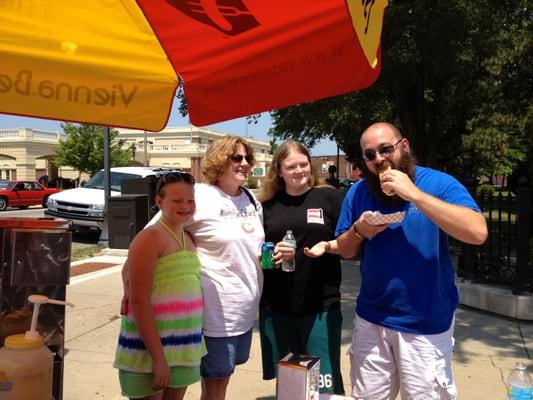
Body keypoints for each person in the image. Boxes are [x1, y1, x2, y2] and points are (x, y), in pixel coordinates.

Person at [335, 122, 488, 399]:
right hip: (372, 318)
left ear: (404, 147)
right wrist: (359, 231)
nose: (379, 159)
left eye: (385, 149)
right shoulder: (358, 192)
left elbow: (477, 232)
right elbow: (344, 250)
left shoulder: (437, 183)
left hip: (425, 324)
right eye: (370, 155)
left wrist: (414, 194)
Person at [122, 135, 264, 400]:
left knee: (222, 380)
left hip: (243, 311)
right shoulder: (199, 195)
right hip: (212, 313)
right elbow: (151, 235)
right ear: (220, 160)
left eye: (247, 158)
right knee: (215, 384)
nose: (244, 163)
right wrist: (129, 286)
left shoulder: (251, 200)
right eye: (236, 157)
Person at [258, 140, 346, 395]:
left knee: (324, 383)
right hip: (278, 307)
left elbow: (350, 244)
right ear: (279, 171)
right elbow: (258, 254)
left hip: (321, 306)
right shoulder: (267, 206)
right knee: (289, 383)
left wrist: (328, 246)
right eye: (291, 166)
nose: (298, 170)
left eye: (303, 164)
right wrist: (270, 256)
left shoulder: (329, 197)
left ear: (311, 165)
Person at [114, 171, 204, 400]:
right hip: (149, 352)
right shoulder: (150, 238)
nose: (185, 206)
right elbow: (139, 301)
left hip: (183, 347)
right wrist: (158, 358)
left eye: (190, 200)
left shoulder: (189, 237)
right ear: (159, 202)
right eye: (177, 200)